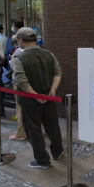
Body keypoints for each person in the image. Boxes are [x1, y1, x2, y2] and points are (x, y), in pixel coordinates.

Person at [11, 27, 64, 168]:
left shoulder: (19, 58)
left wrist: (35, 95)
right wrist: (52, 90)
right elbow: (58, 72)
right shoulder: (49, 54)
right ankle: (58, 152)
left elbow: (21, 81)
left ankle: (42, 160)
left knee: (33, 130)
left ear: (21, 41)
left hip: (29, 100)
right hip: (49, 97)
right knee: (53, 126)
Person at [9, 33, 26, 141]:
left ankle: (21, 133)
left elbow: (13, 65)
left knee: (20, 108)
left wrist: (11, 58)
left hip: (20, 83)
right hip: (33, 82)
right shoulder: (38, 50)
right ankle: (32, 130)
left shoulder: (19, 51)